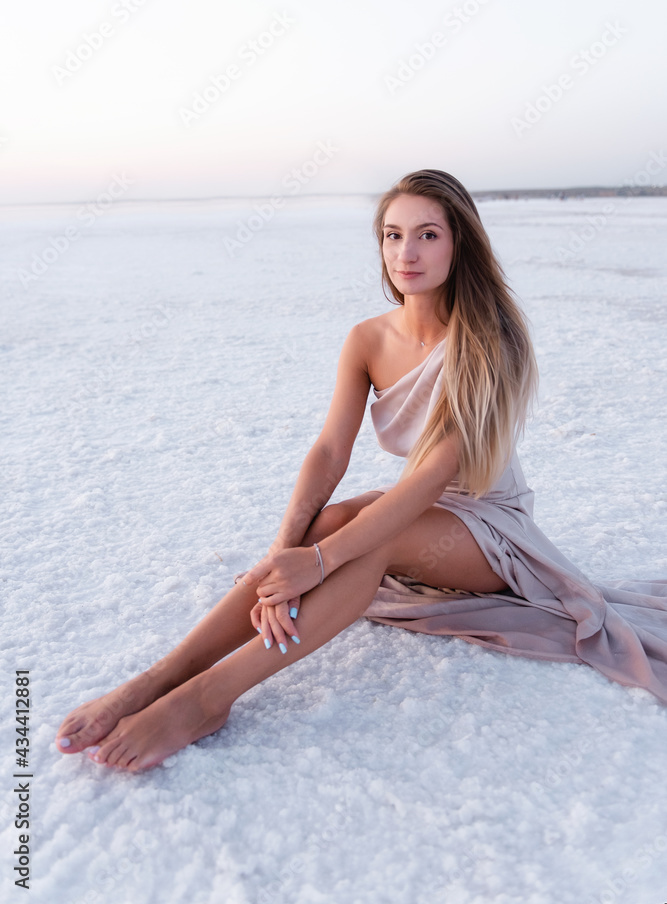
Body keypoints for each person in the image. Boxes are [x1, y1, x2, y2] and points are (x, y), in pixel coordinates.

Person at [55, 169, 667, 772]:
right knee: (334, 519)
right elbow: (329, 451)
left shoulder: (489, 342)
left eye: (428, 234)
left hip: (489, 526)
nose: (407, 252)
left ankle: (207, 698)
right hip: (419, 508)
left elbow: (431, 476)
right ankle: (159, 678)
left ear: (460, 243)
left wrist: (317, 565)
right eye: (393, 235)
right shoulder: (367, 339)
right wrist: (284, 555)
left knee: (368, 533)